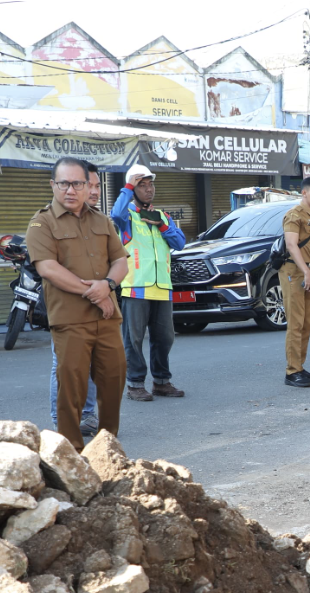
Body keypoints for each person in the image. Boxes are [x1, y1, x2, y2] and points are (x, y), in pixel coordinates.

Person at [26, 156, 128, 451]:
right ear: (53, 185)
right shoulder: (41, 222)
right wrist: (95, 293)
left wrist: (107, 285)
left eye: (77, 183)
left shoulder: (102, 220)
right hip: (70, 320)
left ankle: (107, 446)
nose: (70, 190)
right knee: (71, 388)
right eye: (64, 183)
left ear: (88, 186)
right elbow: (47, 268)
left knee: (113, 381)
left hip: (107, 318)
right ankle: (72, 451)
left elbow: (120, 260)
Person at [111, 163, 187, 402]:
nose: (148, 189)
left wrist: (163, 226)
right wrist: (127, 186)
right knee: (133, 340)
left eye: (150, 184)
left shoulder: (162, 216)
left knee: (164, 338)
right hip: (136, 287)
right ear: (134, 189)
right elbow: (114, 214)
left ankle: (162, 382)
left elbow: (180, 243)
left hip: (162, 288)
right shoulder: (128, 217)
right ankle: (135, 384)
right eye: (142, 185)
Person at [48, 166, 101, 437]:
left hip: (96, 308)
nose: (92, 191)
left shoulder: (98, 221)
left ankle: (88, 414)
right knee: (66, 364)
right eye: (86, 185)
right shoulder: (50, 221)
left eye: (96, 186)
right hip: (68, 309)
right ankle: (63, 419)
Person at [282, 176, 310, 388]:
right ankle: (292, 371)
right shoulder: (293, 216)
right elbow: (292, 245)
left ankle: (300, 366)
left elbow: (309, 251)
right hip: (293, 272)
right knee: (296, 322)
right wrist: (306, 273)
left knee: (307, 322)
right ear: (304, 193)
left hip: (306, 272)